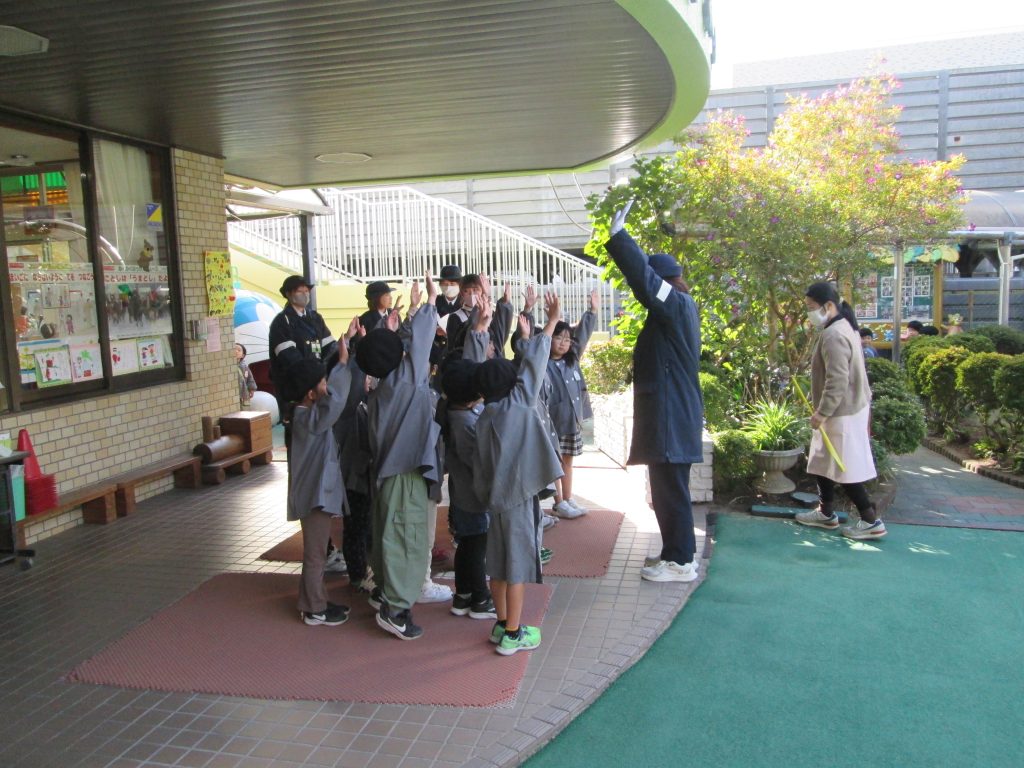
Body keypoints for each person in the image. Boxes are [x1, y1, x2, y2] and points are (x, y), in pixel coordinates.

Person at [605, 201, 703, 583]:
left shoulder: (674, 304)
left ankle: (680, 563)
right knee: (666, 492)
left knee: (671, 492)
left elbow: (644, 281)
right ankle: (674, 555)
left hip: (671, 418)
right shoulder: (677, 309)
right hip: (673, 416)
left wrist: (619, 238)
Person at [473, 292, 563, 656]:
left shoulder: (484, 418)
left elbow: (524, 370)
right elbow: (533, 369)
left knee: (497, 565)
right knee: (517, 567)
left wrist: (523, 337)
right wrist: (551, 321)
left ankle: (500, 624)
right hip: (518, 500)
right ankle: (513, 632)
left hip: (495, 502)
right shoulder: (519, 406)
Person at [357, 272, 442, 640]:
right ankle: (396, 611)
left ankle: (383, 592)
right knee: (406, 541)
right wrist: (430, 302)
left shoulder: (382, 385)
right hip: (405, 474)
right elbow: (421, 343)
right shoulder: (407, 382)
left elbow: (403, 349)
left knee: (387, 535)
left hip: (386, 473)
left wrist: (393, 329)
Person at [795, 281, 887, 539]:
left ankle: (870, 520)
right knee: (823, 461)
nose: (809, 312)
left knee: (843, 465)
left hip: (841, 411)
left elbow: (837, 379)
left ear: (828, 305)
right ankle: (825, 513)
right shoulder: (844, 326)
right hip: (846, 408)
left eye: (811, 307)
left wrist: (822, 412)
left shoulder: (834, 334)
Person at [284, 317, 360, 626]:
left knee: (316, 552)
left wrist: (346, 344)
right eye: (322, 384)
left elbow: (327, 395)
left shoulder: (305, 412)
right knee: (315, 554)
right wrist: (342, 364)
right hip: (313, 495)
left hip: (315, 492)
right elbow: (335, 401)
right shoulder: (310, 419)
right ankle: (313, 608)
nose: (326, 386)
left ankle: (315, 601)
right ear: (310, 394)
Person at [268, 274, 345, 572]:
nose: (305, 295)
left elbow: (329, 348)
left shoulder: (314, 318)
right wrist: (315, 379)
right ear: (289, 294)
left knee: (321, 465)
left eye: (307, 290)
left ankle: (325, 546)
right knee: (305, 471)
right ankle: (320, 549)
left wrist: (329, 370)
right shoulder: (282, 323)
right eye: (299, 291)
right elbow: (291, 362)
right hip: (299, 404)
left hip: (316, 396)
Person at [546, 289, 598, 519]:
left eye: (567, 339)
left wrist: (592, 311)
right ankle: (558, 502)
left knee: (568, 460)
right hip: (553, 423)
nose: (563, 343)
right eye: (559, 338)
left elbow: (583, 334)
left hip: (571, 421)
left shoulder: (572, 359)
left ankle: (568, 498)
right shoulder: (542, 361)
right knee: (555, 462)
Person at [234, 343, 258, 408]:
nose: (236, 351)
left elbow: (250, 378)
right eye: (234, 349)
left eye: (239, 350)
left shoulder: (244, 366)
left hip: (243, 392)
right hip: (233, 392)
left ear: (243, 355)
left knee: (244, 408)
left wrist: (251, 389)